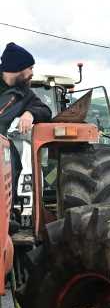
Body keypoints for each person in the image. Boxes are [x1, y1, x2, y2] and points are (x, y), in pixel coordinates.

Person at [0, 42, 53, 213]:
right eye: (30, 67)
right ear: (18, 67)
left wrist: (29, 113)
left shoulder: (25, 94)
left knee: (13, 161)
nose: (32, 73)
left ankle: (8, 216)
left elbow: (45, 110)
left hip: (1, 144)